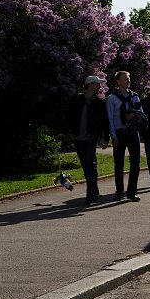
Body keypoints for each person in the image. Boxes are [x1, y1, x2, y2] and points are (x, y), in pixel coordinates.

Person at [60, 75, 110, 204]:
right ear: (90, 84)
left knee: (90, 164)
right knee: (86, 165)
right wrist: (63, 132)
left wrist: (105, 138)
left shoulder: (99, 102)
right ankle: (94, 191)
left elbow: (104, 122)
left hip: (91, 137)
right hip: (78, 137)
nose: (99, 86)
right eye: (97, 84)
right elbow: (68, 116)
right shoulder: (76, 99)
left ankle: (91, 195)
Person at [107, 71, 144, 202]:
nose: (128, 81)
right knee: (119, 164)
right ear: (118, 81)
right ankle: (119, 191)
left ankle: (132, 192)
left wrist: (134, 115)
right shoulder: (112, 98)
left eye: (129, 79)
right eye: (125, 79)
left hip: (132, 132)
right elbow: (110, 118)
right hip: (119, 132)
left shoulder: (134, 96)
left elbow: (141, 114)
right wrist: (113, 136)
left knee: (136, 163)